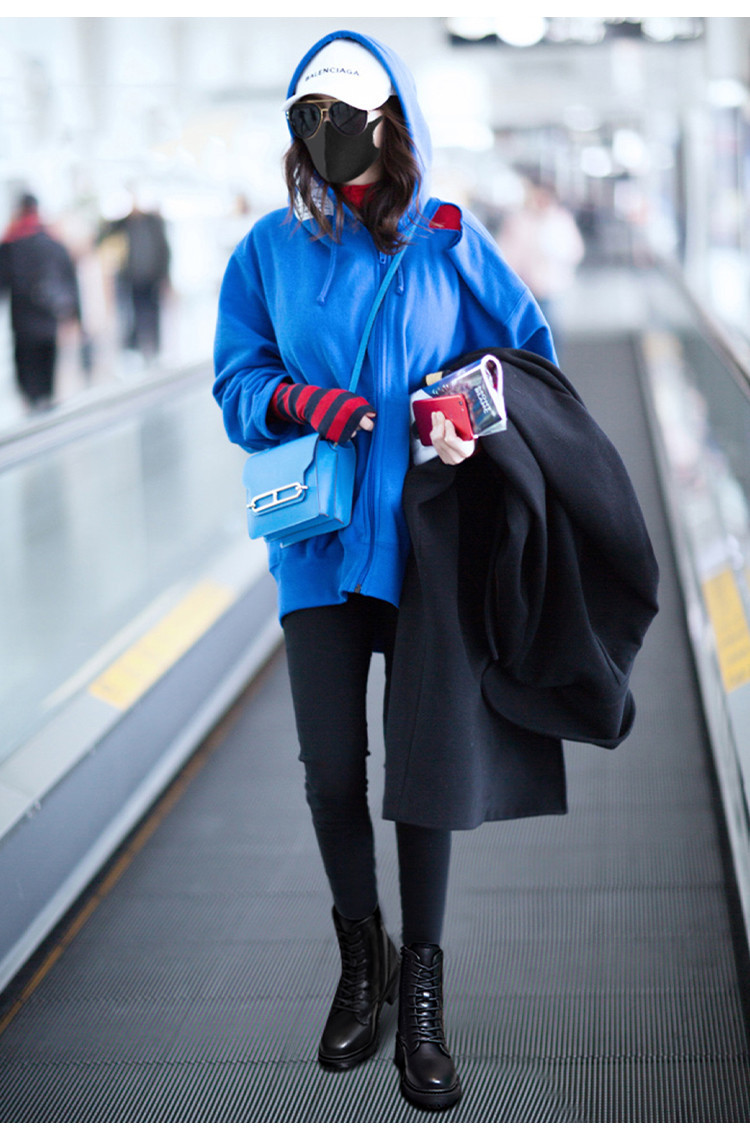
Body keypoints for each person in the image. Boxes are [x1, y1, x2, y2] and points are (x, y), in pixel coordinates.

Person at [213, 31, 560, 1113]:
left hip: (425, 546)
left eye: (344, 115)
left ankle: (421, 995)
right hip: (317, 547)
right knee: (330, 770)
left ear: (390, 121)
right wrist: (296, 400)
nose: (325, 133)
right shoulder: (266, 250)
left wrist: (463, 411)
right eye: (307, 116)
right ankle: (361, 957)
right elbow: (236, 379)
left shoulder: (448, 240)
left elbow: (529, 357)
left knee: (421, 772)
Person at [0, 192, 81, 411]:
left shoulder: (10, 243)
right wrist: (75, 315)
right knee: (47, 366)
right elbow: (69, 280)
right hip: (49, 317)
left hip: (23, 321)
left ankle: (33, 403)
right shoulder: (53, 242)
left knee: (27, 368)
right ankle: (45, 402)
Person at [498, 179, 585, 355]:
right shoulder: (519, 221)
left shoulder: (560, 220)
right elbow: (507, 252)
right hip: (524, 286)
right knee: (524, 331)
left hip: (551, 286)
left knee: (552, 329)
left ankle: (551, 364)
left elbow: (574, 250)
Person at [97, 198, 170, 362]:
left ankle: (155, 349)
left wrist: (164, 275)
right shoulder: (124, 224)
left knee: (153, 313)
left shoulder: (153, 223)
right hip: (132, 278)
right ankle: (136, 349)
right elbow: (104, 235)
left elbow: (163, 249)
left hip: (151, 277)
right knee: (134, 315)